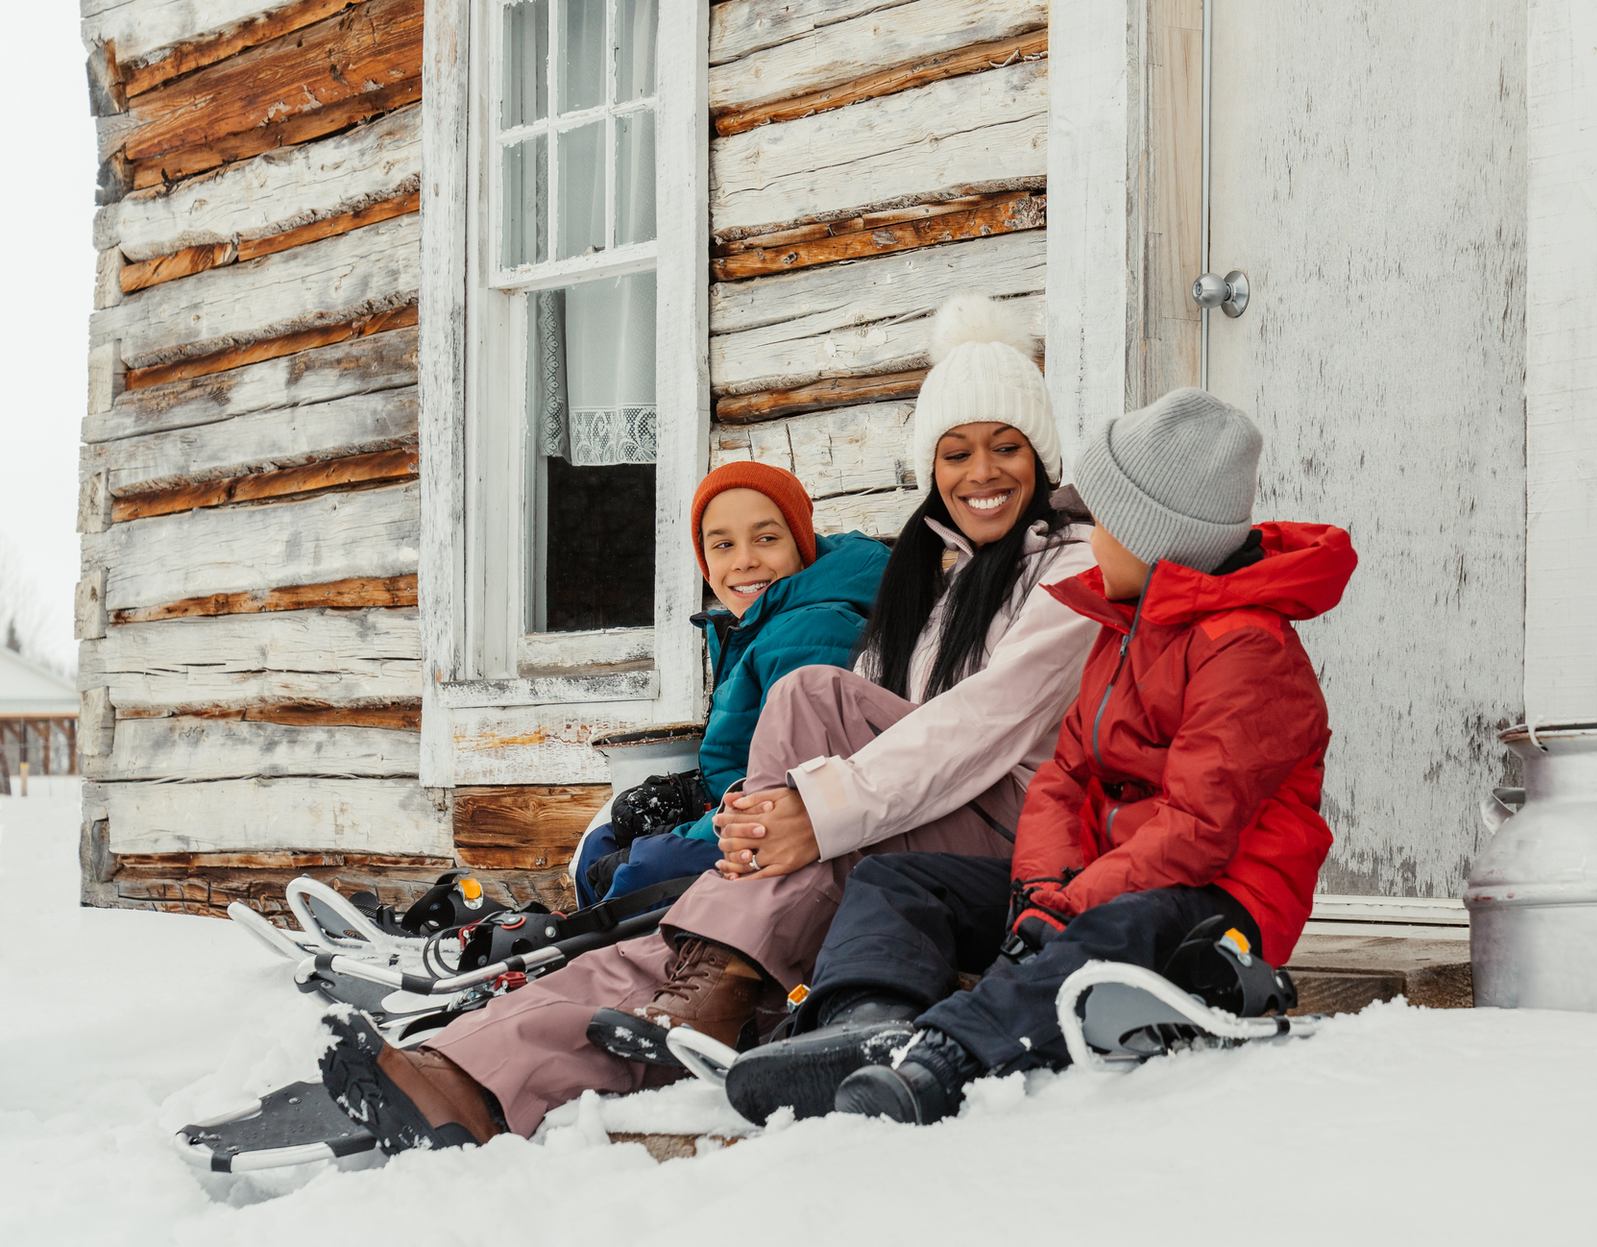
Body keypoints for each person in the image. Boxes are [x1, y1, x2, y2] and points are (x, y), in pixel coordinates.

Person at [316, 293, 1103, 1154]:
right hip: (898, 819)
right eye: (956, 452)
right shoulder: (936, 579)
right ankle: (462, 1073)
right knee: (686, 940)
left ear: (1042, 455)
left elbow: (973, 730)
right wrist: (773, 823)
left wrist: (811, 813)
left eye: (1005, 447)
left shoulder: (1073, 571)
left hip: (993, 845)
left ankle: (711, 973)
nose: (980, 472)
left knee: (806, 704)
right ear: (930, 468)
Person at [724, 387, 1358, 1126]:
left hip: (1219, 905)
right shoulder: (1122, 628)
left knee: (1108, 932)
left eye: (1100, 519)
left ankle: (944, 1057)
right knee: (899, 879)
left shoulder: (1247, 650)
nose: (1083, 534)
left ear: (1154, 536)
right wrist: (1040, 890)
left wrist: (1071, 903)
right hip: (1095, 883)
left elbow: (1197, 828)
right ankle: (863, 1017)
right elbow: (1064, 779)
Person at [572, 463, 888, 905]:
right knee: (604, 843)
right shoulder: (760, 624)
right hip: (737, 807)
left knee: (634, 871)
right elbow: (743, 754)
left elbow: (786, 790)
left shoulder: (813, 629)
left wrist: (685, 831)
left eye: (766, 538)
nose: (744, 560)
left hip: (787, 830)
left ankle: (618, 962)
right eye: (723, 545)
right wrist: (691, 796)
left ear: (800, 544)